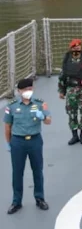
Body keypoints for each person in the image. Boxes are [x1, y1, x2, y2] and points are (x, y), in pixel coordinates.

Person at [4, 78, 51, 214]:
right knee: (17, 172)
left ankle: (40, 198)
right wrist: (9, 143)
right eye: (24, 90)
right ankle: (16, 201)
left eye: (30, 89)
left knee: (38, 170)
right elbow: (7, 126)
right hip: (18, 142)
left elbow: (49, 121)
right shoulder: (11, 106)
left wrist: (42, 116)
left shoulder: (40, 104)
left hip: (35, 140)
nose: (27, 92)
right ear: (19, 91)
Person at [58, 38, 82, 145]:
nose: (77, 48)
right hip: (71, 91)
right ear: (71, 48)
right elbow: (62, 76)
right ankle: (74, 135)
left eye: (79, 46)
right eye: (75, 46)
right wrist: (61, 90)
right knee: (71, 113)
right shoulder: (67, 61)